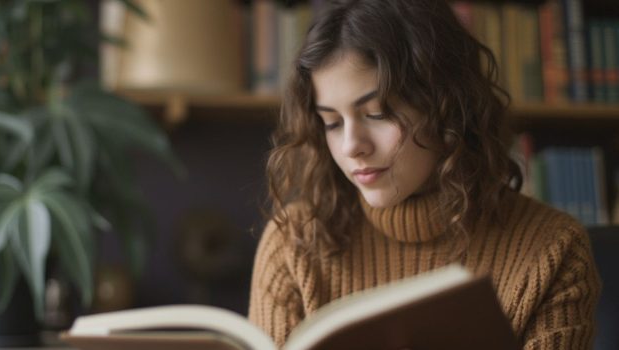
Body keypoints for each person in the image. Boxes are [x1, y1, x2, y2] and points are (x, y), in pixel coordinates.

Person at [247, 0, 601, 349]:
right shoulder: (293, 242)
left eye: (378, 113)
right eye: (332, 123)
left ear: (444, 107)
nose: (352, 146)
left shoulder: (553, 250)